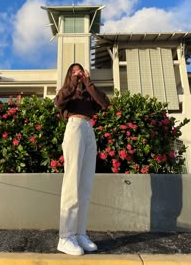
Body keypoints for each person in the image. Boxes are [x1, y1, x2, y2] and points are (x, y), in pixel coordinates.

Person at [54, 63, 110, 256]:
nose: (78, 72)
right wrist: (74, 82)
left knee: (85, 185)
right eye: (74, 70)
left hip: (88, 130)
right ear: (70, 74)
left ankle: (79, 233)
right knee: (72, 183)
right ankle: (65, 236)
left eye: (80, 70)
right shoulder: (67, 91)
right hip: (74, 127)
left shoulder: (88, 92)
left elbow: (104, 103)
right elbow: (58, 102)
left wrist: (87, 82)